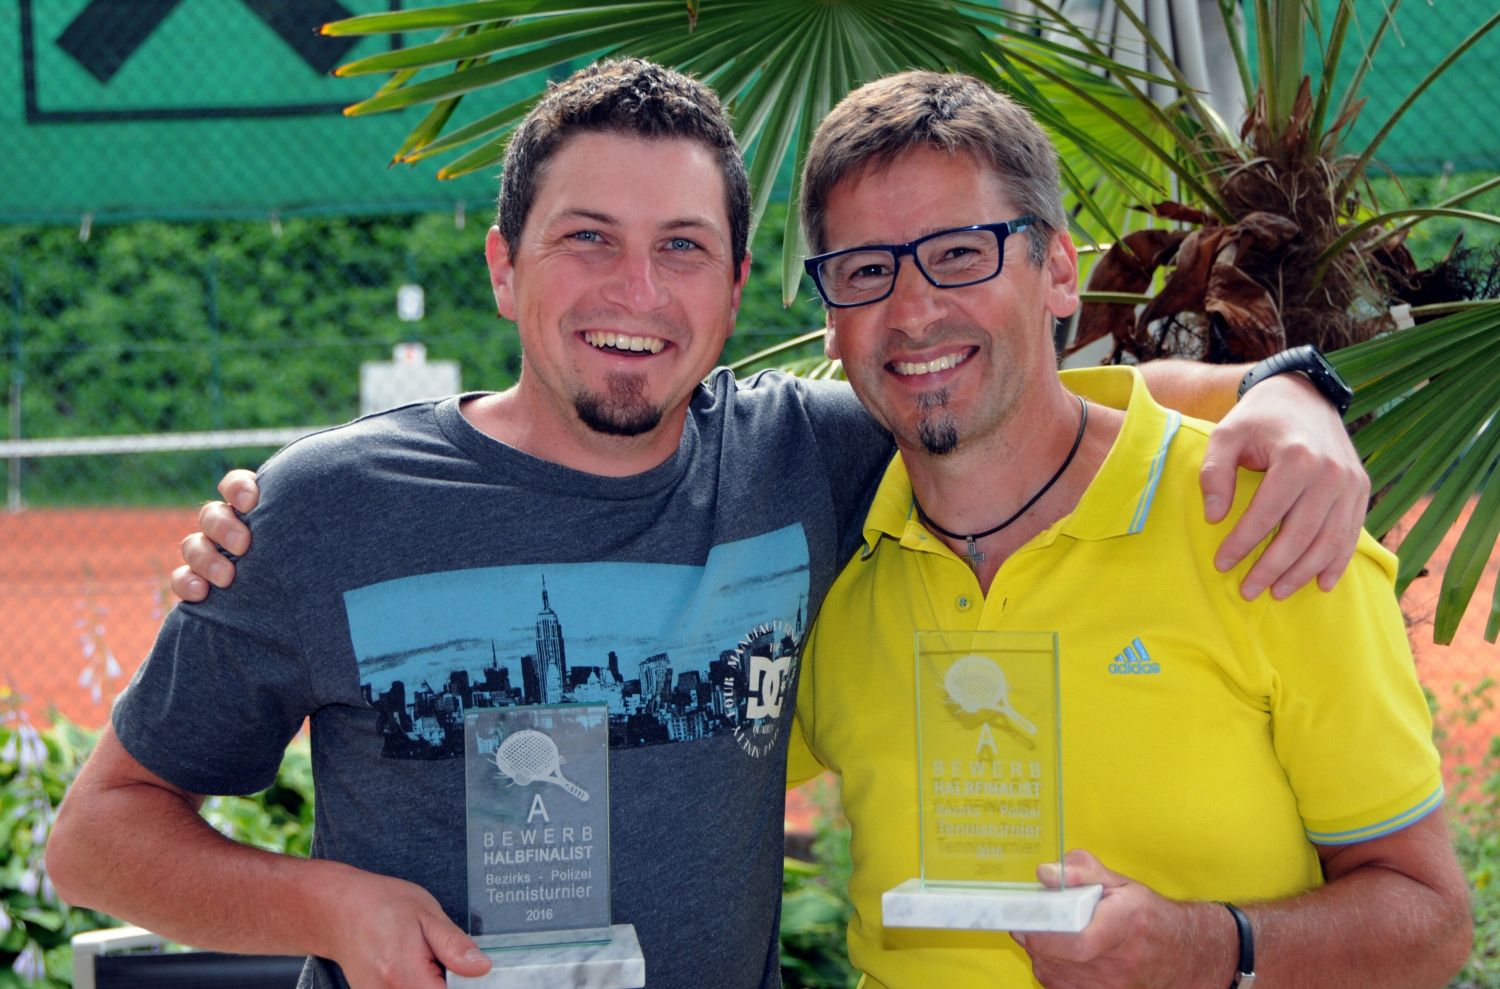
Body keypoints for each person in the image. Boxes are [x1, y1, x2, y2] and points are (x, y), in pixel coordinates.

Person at [57, 59, 1366, 989]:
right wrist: (328, 904)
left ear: (737, 288)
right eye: (587, 239)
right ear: (504, 265)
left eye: (681, 247)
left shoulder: (805, 454)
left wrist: (1285, 390)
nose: (636, 291)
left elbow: (1045, 400)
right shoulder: (324, 507)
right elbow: (98, 835)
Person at [785, 71, 1471, 988]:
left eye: (961, 253)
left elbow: (1431, 922)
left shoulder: (1265, 515)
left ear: (1058, 271)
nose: (913, 311)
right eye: (867, 270)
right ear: (831, 318)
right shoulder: (820, 550)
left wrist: (1208, 948)